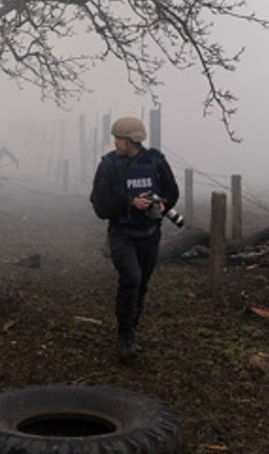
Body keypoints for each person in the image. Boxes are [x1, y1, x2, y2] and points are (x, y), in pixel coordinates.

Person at [90, 116, 179, 364]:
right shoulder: (108, 166)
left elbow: (172, 192)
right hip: (121, 233)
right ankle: (125, 336)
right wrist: (129, 203)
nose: (115, 143)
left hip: (150, 234)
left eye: (119, 139)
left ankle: (131, 327)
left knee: (142, 284)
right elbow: (99, 205)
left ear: (132, 140)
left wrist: (160, 203)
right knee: (131, 277)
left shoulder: (155, 161)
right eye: (115, 138)